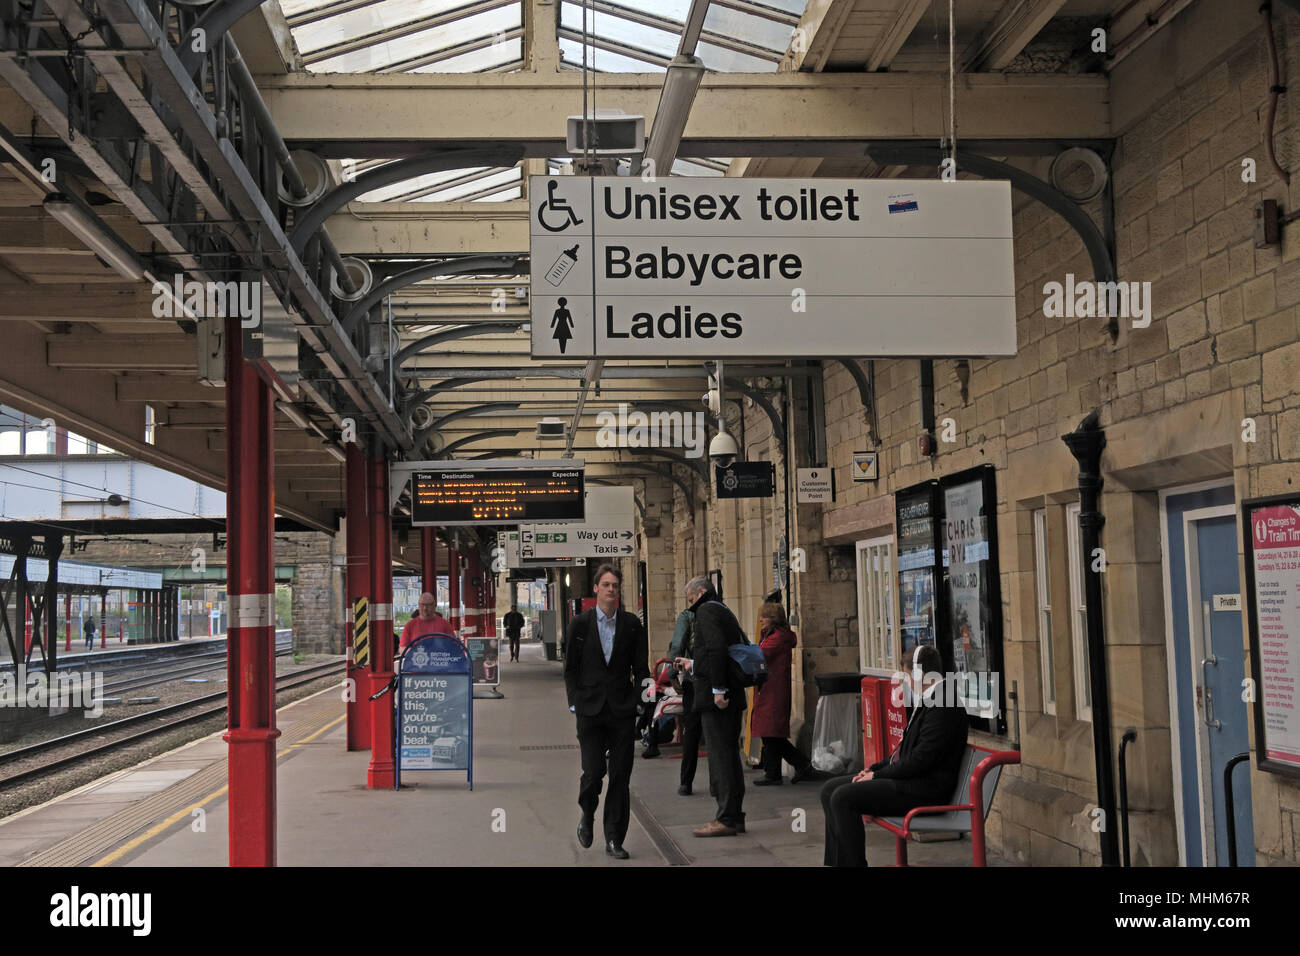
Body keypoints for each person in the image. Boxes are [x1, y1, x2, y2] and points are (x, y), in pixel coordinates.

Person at [819, 644, 968, 867]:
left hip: (924, 790)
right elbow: (902, 752)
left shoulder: (944, 704)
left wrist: (877, 778)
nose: (907, 682)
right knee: (829, 790)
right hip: (909, 782)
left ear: (919, 674)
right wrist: (873, 770)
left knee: (843, 797)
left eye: (908, 676)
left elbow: (921, 760)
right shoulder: (932, 699)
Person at [563, 564, 650, 860]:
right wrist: (574, 701)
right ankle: (587, 812)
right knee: (594, 771)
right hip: (589, 710)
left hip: (622, 710)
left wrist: (643, 701)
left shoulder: (632, 625)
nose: (611, 589)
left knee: (620, 776)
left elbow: (641, 669)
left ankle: (614, 838)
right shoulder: (580, 625)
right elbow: (570, 669)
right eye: (607, 585)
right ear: (596, 589)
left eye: (616, 585)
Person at [675, 575, 748, 837]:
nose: (691, 605)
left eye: (691, 599)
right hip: (732, 695)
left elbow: (716, 649)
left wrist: (717, 690)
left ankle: (726, 818)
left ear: (702, 592)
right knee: (729, 755)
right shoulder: (722, 609)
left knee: (720, 757)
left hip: (718, 698)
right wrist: (693, 664)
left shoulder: (705, 610)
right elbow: (718, 652)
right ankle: (735, 816)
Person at [750, 602, 823, 786]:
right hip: (769, 688)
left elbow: (760, 654)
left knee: (772, 733)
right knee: (771, 734)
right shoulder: (773, 635)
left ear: (773, 619)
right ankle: (776, 771)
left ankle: (798, 766)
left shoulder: (778, 637)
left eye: (764, 617)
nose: (761, 620)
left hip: (773, 690)